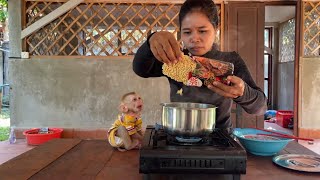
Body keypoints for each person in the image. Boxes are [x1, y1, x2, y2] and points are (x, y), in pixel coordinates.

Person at [132, 0, 267, 130]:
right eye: (187, 32)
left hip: (219, 135)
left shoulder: (230, 60)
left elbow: (260, 107)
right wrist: (151, 41)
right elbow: (141, 69)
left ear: (215, 30)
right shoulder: (175, 58)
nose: (194, 38)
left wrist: (242, 93)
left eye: (202, 31)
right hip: (178, 130)